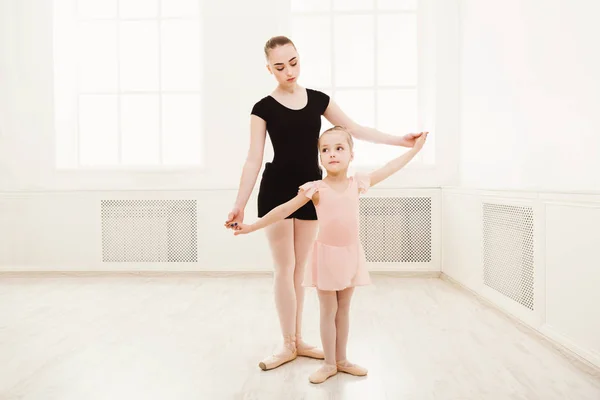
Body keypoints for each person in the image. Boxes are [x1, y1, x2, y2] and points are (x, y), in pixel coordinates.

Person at [224, 35, 425, 371]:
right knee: (283, 269)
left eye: (293, 62)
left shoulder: (318, 100)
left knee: (301, 270)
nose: (288, 71)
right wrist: (239, 204)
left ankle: (301, 341)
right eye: (279, 66)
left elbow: (355, 130)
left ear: (299, 59)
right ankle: (288, 342)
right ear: (268, 68)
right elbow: (252, 159)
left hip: (312, 190)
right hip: (276, 190)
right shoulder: (263, 108)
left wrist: (399, 141)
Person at [233, 126, 428, 383]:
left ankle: (342, 359)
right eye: (325, 150)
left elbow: (390, 167)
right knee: (328, 310)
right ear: (320, 158)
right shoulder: (315, 189)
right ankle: (328, 364)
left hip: (350, 255)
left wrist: (415, 149)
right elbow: (282, 210)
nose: (332, 154)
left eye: (339, 148)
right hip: (325, 257)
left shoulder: (357, 183)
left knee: (344, 310)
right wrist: (251, 228)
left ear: (351, 155)